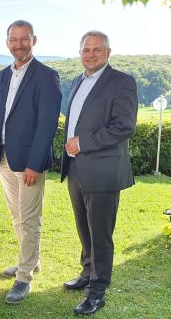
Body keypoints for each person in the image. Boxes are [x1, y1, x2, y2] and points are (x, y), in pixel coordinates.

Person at [60, 30, 138, 315]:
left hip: (103, 171)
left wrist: (82, 143)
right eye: (85, 49)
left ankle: (98, 290)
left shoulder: (122, 83)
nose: (90, 54)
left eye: (96, 49)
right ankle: (87, 273)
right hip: (77, 169)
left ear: (108, 51)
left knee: (101, 234)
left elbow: (124, 126)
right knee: (84, 228)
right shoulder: (78, 81)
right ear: (80, 52)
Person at [0, 20, 62, 304]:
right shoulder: (2, 75)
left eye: (24, 39)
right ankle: (31, 261)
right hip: (6, 157)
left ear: (34, 40)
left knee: (29, 219)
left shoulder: (47, 76)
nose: (18, 44)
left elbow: (47, 125)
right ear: (7, 42)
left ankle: (23, 278)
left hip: (30, 162)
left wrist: (35, 163)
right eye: (13, 39)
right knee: (17, 216)